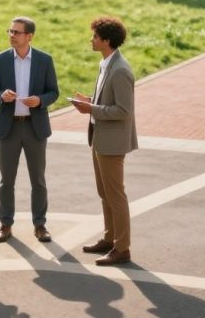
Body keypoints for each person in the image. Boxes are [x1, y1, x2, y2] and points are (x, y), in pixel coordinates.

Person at [70, 16, 138, 266]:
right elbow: (107, 101)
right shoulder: (106, 63)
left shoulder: (120, 70)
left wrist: (91, 109)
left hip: (112, 142)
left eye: (95, 37)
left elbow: (123, 110)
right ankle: (110, 239)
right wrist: (90, 100)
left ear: (106, 40)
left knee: (115, 194)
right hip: (100, 138)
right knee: (104, 193)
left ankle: (122, 248)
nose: (91, 39)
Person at [0, 16, 59, 244]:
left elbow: (53, 92)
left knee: (38, 179)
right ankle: (5, 225)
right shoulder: (0, 60)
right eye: (10, 31)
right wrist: (1, 96)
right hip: (9, 128)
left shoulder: (44, 60)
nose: (12, 35)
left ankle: (40, 225)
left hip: (34, 128)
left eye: (17, 32)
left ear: (29, 36)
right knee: (6, 180)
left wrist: (40, 100)